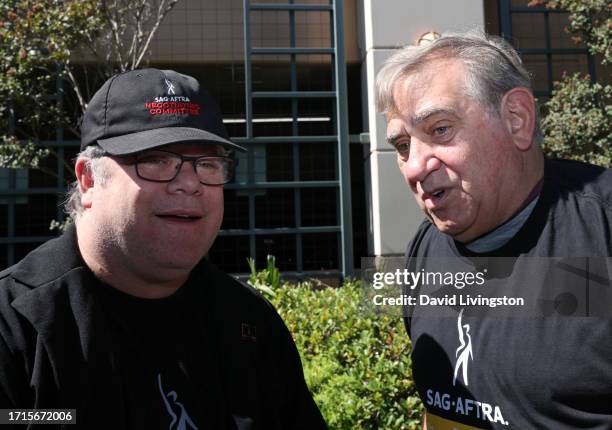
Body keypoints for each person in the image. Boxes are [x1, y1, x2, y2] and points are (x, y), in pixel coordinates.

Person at [0, 68, 327, 429]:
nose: (189, 184)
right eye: (155, 160)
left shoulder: (249, 324)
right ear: (88, 179)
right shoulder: (15, 325)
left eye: (208, 164)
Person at [375, 31, 612, 428]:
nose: (414, 167)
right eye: (402, 146)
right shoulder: (424, 247)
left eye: (440, 130)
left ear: (516, 118)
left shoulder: (601, 228)